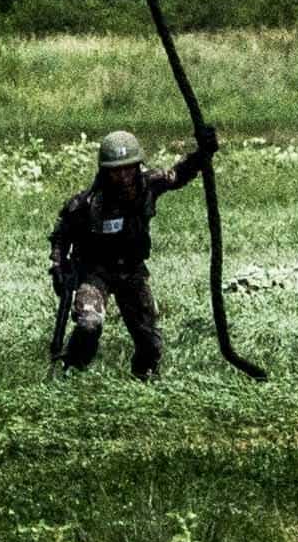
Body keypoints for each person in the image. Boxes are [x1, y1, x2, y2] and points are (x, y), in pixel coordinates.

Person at [47, 121, 210, 380]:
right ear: (104, 172)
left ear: (137, 167)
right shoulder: (86, 203)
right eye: (115, 171)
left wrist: (203, 153)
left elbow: (180, 174)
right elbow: (61, 234)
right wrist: (58, 266)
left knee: (149, 339)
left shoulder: (150, 184)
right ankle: (73, 369)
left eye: (127, 170)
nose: (122, 177)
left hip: (132, 270)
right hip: (95, 272)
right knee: (89, 325)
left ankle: (145, 378)